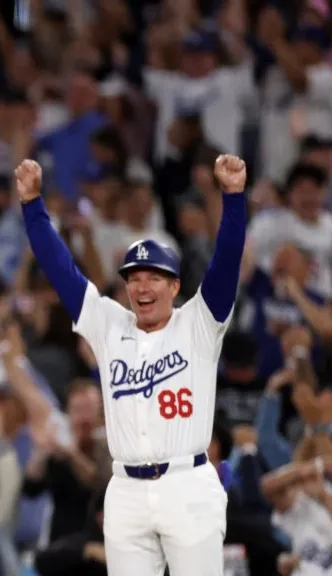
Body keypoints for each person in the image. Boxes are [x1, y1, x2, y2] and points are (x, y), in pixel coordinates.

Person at [13, 153, 248, 575]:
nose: (141, 286)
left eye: (154, 276)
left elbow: (226, 262)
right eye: (133, 277)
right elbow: (60, 269)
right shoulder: (109, 325)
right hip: (125, 490)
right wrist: (33, 207)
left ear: (175, 285)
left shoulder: (199, 321)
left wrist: (232, 198)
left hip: (187, 484)